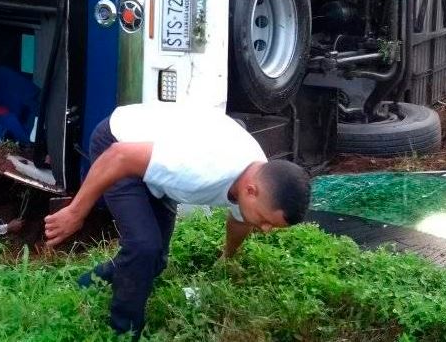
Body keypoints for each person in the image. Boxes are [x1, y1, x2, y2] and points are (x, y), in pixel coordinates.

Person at [43, 103, 312, 337]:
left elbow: (239, 221)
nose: (264, 230)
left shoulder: (259, 180)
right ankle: (123, 332)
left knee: (155, 261)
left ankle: (85, 283)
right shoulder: (202, 168)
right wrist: (76, 212)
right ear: (251, 191)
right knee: (143, 246)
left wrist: (226, 257)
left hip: (153, 164)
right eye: (265, 221)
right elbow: (118, 156)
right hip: (118, 143)